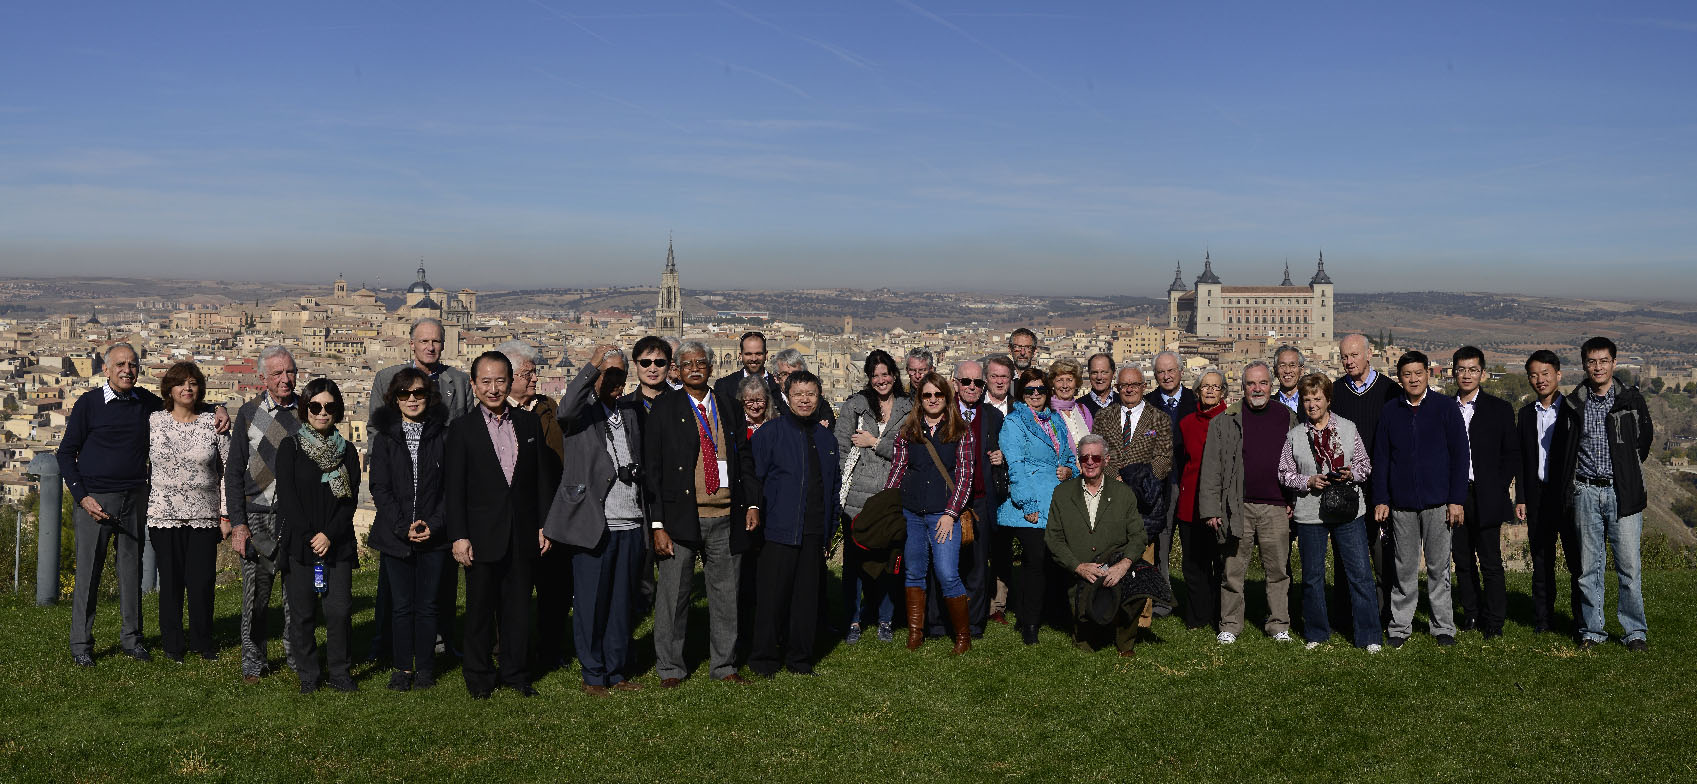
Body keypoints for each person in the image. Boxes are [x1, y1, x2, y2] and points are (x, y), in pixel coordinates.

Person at [445, 351, 557, 698]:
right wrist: (459, 536)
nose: (493, 389)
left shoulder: (527, 424)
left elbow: (540, 479)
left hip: (522, 532)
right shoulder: (462, 430)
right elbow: (455, 488)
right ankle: (478, 677)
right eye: (486, 382)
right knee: (480, 610)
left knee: (518, 607)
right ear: (474, 386)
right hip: (480, 534)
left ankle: (516, 673)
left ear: (509, 383)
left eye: (500, 381)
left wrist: (543, 525)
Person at [645, 341, 755, 686]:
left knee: (726, 597)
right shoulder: (665, 407)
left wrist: (752, 503)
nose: (695, 367)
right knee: (673, 598)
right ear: (677, 369)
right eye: (688, 363)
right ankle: (670, 668)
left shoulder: (728, 406)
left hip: (725, 516)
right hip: (682, 518)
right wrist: (658, 524)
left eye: (701, 362)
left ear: (711, 367)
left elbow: (746, 460)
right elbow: (653, 468)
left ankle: (724, 666)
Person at [368, 317, 474, 665]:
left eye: (437, 341)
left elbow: (466, 432)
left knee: (441, 580)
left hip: (440, 491)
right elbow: (376, 430)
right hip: (399, 492)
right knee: (392, 583)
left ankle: (439, 644)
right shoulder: (387, 378)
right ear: (410, 344)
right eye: (424, 341)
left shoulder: (458, 382)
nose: (431, 346)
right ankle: (386, 644)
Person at [547, 344, 649, 696]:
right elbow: (566, 405)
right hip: (594, 521)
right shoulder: (580, 414)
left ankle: (617, 671)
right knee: (590, 603)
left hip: (631, 521)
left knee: (622, 602)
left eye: (621, 375)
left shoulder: (631, 414)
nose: (615, 381)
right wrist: (594, 363)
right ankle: (593, 674)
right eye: (609, 374)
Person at [59, 343, 161, 667]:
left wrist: (212, 410)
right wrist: (82, 497)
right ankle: (81, 646)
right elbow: (65, 454)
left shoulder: (146, 402)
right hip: (95, 501)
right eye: (120, 364)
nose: (127, 370)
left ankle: (133, 640)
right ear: (105, 369)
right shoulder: (88, 404)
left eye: (132, 364)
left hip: (134, 497)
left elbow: (180, 409)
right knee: (88, 574)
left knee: (132, 572)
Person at [1552, 337, 1653, 652]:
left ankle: (1634, 631)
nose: (1598, 367)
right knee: (1588, 567)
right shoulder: (1573, 403)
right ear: (1584, 365)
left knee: (1629, 566)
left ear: (1613, 363)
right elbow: (1564, 450)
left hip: (1622, 492)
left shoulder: (1630, 401)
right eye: (1592, 361)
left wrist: (1625, 474)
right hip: (1585, 492)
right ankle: (1592, 631)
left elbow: (1644, 442)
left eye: (1604, 361)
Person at [1371, 350, 1469, 649]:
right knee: (1404, 567)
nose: (1413, 379)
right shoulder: (1390, 411)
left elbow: (1460, 455)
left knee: (1439, 568)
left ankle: (1443, 627)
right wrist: (1382, 498)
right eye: (1406, 374)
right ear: (1399, 378)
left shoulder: (1444, 408)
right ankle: (1400, 627)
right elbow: (1382, 458)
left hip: (1438, 502)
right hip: (1401, 504)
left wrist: (1456, 499)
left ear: (1428, 374)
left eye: (1418, 373)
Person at [1277, 373, 1381, 652]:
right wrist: (1307, 481)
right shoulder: (1295, 436)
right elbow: (1285, 473)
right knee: (1312, 577)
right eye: (1307, 399)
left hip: (1348, 511)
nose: (1312, 405)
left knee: (1359, 574)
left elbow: (1365, 465)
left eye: (1317, 399)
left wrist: (1350, 474)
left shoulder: (1348, 429)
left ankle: (1369, 636)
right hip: (1311, 513)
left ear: (1328, 400)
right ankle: (1316, 633)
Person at [748, 370, 840, 675]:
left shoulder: (827, 438)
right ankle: (763, 659)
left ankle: (799, 659)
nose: (805, 400)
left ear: (819, 398)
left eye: (811, 394)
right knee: (772, 599)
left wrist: (829, 530)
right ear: (787, 397)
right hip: (778, 529)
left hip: (814, 531)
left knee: (806, 600)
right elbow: (754, 480)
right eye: (799, 394)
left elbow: (833, 486)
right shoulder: (769, 434)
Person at [1199, 361, 1297, 645]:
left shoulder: (1286, 417)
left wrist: (1292, 499)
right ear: (1243, 387)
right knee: (1232, 570)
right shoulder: (1225, 420)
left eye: (1263, 383)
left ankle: (1278, 624)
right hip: (1236, 506)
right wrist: (1211, 510)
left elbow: (1299, 461)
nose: (1257, 388)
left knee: (1278, 571)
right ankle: (1230, 624)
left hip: (1276, 506)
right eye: (1251, 383)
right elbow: (1211, 469)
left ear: (1271, 385)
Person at [276, 378, 362, 693]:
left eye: (329, 406)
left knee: (338, 611)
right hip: (301, 543)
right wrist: (311, 535)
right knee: (301, 615)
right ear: (305, 409)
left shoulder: (347, 451)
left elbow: (349, 500)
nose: (322, 412)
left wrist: (328, 534)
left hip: (337, 543)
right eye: (315, 406)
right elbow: (287, 497)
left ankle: (340, 672)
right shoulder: (291, 447)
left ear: (336, 410)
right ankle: (309, 675)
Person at [367, 368, 450, 691]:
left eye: (418, 393)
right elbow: (379, 487)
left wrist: (434, 523)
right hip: (395, 534)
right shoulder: (387, 438)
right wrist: (403, 527)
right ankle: (402, 668)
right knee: (401, 606)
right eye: (405, 393)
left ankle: (425, 668)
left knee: (428, 605)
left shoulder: (443, 435)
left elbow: (450, 488)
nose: (412, 399)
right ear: (395, 398)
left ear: (429, 397)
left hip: (434, 534)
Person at [225, 345, 303, 683]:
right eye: (277, 374)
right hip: (256, 514)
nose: (285, 379)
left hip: (295, 517)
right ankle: (252, 661)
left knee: (296, 594)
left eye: (290, 372)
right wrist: (239, 524)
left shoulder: (309, 411)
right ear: (263, 378)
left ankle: (297, 656)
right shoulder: (248, 413)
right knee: (255, 595)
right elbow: (233, 472)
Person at [884, 372, 976, 653]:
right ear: (919, 399)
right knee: (913, 573)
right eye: (927, 395)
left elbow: (965, 476)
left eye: (938, 394)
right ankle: (915, 633)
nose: (933, 399)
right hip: (911, 512)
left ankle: (963, 636)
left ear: (947, 398)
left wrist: (951, 513)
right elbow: (898, 470)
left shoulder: (961, 431)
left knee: (948, 574)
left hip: (943, 514)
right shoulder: (908, 431)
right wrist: (889, 505)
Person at [147, 361, 229, 664]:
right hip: (162, 515)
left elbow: (226, 472)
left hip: (204, 517)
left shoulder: (214, 424)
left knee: (202, 583)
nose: (187, 388)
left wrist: (225, 515)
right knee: (169, 582)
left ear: (200, 389)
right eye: (181, 383)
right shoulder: (154, 420)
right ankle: (172, 644)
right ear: (169, 388)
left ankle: (202, 642)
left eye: (193, 383)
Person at [1045, 435, 1150, 657]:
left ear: (1106, 460)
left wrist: (1123, 565)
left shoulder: (1123, 493)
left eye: (1096, 457)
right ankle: (1086, 632)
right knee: (1086, 640)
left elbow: (1139, 535)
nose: (1090, 462)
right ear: (1078, 461)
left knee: (1137, 586)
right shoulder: (1062, 493)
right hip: (1080, 569)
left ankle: (1125, 642)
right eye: (1085, 457)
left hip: (1115, 565)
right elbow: (1053, 538)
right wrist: (1077, 566)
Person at [997, 367, 1080, 645]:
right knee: (1035, 561)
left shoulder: (1055, 420)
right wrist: (1027, 503)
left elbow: (1069, 457)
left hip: (1056, 501)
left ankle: (1051, 614)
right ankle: (1029, 622)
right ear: (1022, 393)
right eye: (1030, 390)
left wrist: (1069, 471)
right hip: (1030, 501)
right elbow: (1015, 467)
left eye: (1041, 390)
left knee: (1055, 560)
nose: (1035, 395)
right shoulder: (1014, 422)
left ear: (1048, 393)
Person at [501, 339, 569, 671]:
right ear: (508, 377)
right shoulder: (496, 413)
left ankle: (550, 650)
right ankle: (512, 653)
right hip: (515, 515)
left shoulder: (549, 407)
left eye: (535, 372)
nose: (535, 379)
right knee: (514, 592)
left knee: (553, 589)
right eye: (528, 373)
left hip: (552, 508)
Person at [834, 349, 910, 643]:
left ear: (894, 375)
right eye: (875, 375)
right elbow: (840, 448)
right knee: (854, 562)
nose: (881, 380)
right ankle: (853, 619)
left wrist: (875, 442)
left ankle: (885, 618)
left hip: (892, 496)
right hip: (858, 498)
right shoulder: (855, 406)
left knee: (890, 560)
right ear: (868, 378)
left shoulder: (908, 408)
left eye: (885, 374)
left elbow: (909, 451)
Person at [1088, 365, 1173, 624]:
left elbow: (1164, 457)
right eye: (1124, 385)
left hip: (1145, 499)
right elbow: (1098, 450)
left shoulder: (1159, 417)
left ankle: (1142, 617)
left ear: (1143, 387)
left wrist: (1140, 482)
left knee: (1143, 557)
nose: (1129, 390)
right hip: (1111, 495)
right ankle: (1110, 611)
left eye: (1134, 385)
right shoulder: (1104, 416)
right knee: (1110, 553)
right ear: (1117, 388)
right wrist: (1116, 477)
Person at [1449, 346, 1520, 638]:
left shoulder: (1499, 409)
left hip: (1487, 495)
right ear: (1454, 372)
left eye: (1473, 369)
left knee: (1490, 561)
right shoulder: (1444, 408)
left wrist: (1496, 486)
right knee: (1463, 560)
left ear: (1483, 373)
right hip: (1456, 495)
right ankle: (1472, 615)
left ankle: (1494, 620)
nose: (1467, 375)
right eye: (1462, 369)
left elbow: (1511, 454)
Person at [1330, 333, 1401, 625]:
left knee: (1383, 556)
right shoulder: (1335, 392)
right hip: (1344, 490)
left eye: (1354, 355)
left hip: (1380, 488)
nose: (1348, 361)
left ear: (1370, 353)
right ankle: (1347, 616)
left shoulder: (1390, 392)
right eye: (1344, 356)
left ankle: (1385, 615)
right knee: (1344, 555)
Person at [1515, 349, 1582, 635]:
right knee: (1541, 560)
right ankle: (1543, 619)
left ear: (1558, 375)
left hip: (1566, 496)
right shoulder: (1526, 414)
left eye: (1545, 374)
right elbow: (1522, 459)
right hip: (1537, 496)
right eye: (1534, 375)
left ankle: (1582, 621)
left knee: (1576, 560)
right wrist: (1521, 497)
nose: (1540, 380)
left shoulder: (1573, 410)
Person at [951, 360, 1004, 635]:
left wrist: (1000, 457)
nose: (972, 387)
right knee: (948, 563)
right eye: (966, 382)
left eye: (977, 383)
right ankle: (943, 620)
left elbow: (1002, 450)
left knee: (978, 566)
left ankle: (974, 623)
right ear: (955, 383)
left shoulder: (993, 416)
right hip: (949, 501)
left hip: (981, 500)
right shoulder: (943, 412)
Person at [1174, 371, 1228, 631]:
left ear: (1223, 392)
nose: (1209, 391)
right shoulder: (1186, 423)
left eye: (1215, 387)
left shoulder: (1232, 421)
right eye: (1205, 387)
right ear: (1197, 391)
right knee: (1193, 564)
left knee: (1219, 563)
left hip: (1220, 504)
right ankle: (1197, 616)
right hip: (1190, 502)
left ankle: (1220, 615)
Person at [1150, 350, 1197, 619]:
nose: (1166, 376)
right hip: (1162, 485)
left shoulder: (1195, 399)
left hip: (1190, 483)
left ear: (1181, 371)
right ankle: (1163, 599)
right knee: (1162, 544)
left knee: (1193, 546)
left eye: (1171, 371)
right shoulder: (1148, 403)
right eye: (1160, 372)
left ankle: (1195, 602)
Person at [715, 331, 780, 412]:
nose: (753, 359)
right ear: (740, 356)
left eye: (758, 354)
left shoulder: (779, 386)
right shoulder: (724, 386)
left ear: (766, 355)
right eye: (748, 354)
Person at [1047, 357, 1094, 449]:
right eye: (1060, 380)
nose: (1065, 385)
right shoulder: (1047, 412)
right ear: (1053, 384)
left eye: (1069, 380)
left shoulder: (1083, 410)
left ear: (1076, 383)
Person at [1079, 353, 1118, 418]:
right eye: (1094, 372)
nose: (1099, 377)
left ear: (1113, 374)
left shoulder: (1123, 404)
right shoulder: (1079, 406)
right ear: (1089, 374)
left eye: (1104, 372)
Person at [770, 348, 807, 416]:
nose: (790, 378)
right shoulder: (768, 404)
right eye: (784, 374)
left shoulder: (816, 403)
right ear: (776, 378)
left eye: (795, 373)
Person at [739, 373, 774, 441]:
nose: (755, 406)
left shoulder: (776, 423)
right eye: (750, 401)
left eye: (759, 400)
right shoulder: (737, 426)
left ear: (767, 400)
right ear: (742, 401)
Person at [1274, 346, 1305, 413]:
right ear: (1275, 371)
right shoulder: (1269, 405)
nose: (1287, 371)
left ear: (1301, 371)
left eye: (1292, 365)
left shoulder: (1310, 404)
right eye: (1282, 365)